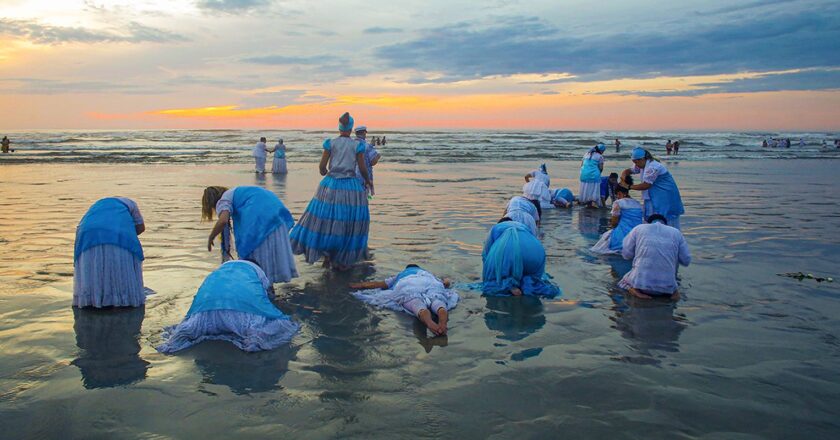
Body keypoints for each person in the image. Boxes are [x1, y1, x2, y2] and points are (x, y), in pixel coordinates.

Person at [157, 260, 300, 353]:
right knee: (281, 324)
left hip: (206, 311)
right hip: (242, 313)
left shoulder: (220, 270)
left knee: (189, 327)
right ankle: (252, 341)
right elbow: (267, 296)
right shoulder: (258, 271)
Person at [289, 112, 371, 270]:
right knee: (348, 221)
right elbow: (362, 168)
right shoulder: (357, 145)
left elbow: (322, 166)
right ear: (351, 127)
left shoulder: (330, 143)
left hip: (331, 184)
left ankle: (327, 255)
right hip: (351, 187)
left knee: (325, 220)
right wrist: (367, 180)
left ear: (339, 127)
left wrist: (325, 173)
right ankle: (341, 258)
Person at [202, 186, 298, 284]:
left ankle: (265, 292)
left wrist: (211, 237)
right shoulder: (237, 193)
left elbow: (223, 221)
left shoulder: (224, 199)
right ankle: (271, 289)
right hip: (277, 216)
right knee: (267, 267)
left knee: (254, 265)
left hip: (260, 221)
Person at [73, 197, 146, 308]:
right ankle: (120, 299)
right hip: (117, 232)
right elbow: (141, 227)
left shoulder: (97, 205)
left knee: (95, 267)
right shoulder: (131, 204)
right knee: (118, 265)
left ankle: (93, 299)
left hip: (86, 233)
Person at [350, 264, 458, 336]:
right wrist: (448, 279)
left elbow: (377, 284)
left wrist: (359, 285)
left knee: (415, 302)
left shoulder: (400, 275)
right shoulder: (427, 273)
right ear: (418, 268)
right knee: (438, 301)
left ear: (406, 269)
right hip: (429, 282)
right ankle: (443, 324)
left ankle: (429, 322)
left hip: (408, 283)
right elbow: (446, 283)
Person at [481, 218, 561, 297]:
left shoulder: (496, 228)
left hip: (509, 250)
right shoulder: (523, 227)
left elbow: (486, 255)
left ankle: (510, 286)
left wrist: (489, 277)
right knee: (533, 277)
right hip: (535, 250)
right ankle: (528, 286)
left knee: (493, 281)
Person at [619, 214, 691, 300]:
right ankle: (674, 293)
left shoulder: (639, 228)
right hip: (667, 287)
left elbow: (626, 255)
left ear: (647, 223)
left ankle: (633, 290)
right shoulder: (676, 232)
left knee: (622, 283)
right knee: (673, 282)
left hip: (641, 285)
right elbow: (686, 260)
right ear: (666, 224)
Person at [621, 147, 685, 229]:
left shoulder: (653, 167)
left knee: (664, 218)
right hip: (653, 195)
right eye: (634, 162)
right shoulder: (641, 163)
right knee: (651, 217)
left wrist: (628, 186)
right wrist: (624, 174)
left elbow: (646, 185)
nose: (635, 164)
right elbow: (631, 170)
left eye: (636, 162)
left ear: (643, 159)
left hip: (664, 195)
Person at [591, 177, 643, 254]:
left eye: (617, 195)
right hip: (637, 237)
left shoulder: (618, 203)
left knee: (600, 249)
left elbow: (614, 223)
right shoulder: (638, 204)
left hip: (622, 236)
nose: (617, 197)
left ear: (619, 193)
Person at [354, 126, 381, 196]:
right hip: (363, 177)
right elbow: (373, 162)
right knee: (363, 199)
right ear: (364, 133)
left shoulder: (350, 144)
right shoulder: (367, 146)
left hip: (351, 178)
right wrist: (378, 156)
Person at [579, 144, 606, 208]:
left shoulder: (586, 154)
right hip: (594, 175)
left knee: (585, 189)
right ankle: (593, 202)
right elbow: (601, 168)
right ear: (601, 151)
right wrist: (598, 174)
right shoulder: (600, 157)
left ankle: (585, 201)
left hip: (583, 175)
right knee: (594, 190)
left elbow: (582, 165)